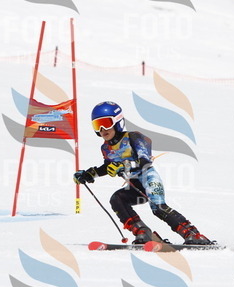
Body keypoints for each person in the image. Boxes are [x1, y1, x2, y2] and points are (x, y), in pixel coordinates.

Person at [73, 101, 212, 245]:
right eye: (97, 125)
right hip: (135, 186)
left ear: (117, 121)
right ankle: (143, 233)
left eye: (106, 123)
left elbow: (145, 161)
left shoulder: (133, 137)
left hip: (149, 178)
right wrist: (88, 174)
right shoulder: (106, 148)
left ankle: (193, 234)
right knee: (117, 199)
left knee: (158, 208)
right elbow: (107, 167)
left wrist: (122, 166)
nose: (102, 129)